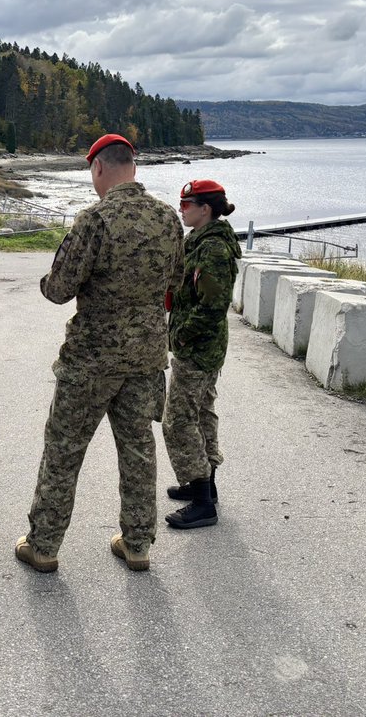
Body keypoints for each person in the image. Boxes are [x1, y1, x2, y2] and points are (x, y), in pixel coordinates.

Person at [16, 133, 184, 573]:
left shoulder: (95, 220)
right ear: (133, 165)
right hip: (146, 359)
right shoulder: (168, 219)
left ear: (98, 169)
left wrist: (49, 282)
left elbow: (59, 289)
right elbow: (177, 283)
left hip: (91, 361)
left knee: (64, 450)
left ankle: (45, 546)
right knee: (138, 451)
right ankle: (138, 544)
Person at [161, 180, 241, 529]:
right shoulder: (201, 241)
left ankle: (202, 500)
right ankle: (206, 484)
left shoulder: (212, 250)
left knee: (178, 420)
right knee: (201, 411)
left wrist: (179, 334)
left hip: (198, 346)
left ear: (205, 208)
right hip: (201, 346)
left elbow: (214, 306)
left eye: (187, 204)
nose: (182, 209)